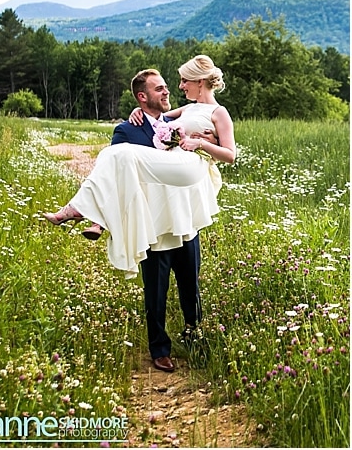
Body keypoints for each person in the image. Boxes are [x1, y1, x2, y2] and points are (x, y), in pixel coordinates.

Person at [43, 57, 235, 371]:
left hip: (184, 214)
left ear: (199, 81)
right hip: (155, 221)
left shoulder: (208, 113)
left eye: (177, 83)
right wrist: (138, 112)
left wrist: (202, 143)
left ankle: (195, 338)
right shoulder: (131, 127)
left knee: (190, 286)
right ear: (143, 97)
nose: (172, 90)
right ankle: (159, 349)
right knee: (155, 290)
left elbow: (225, 150)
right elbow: (119, 176)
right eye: (161, 88)